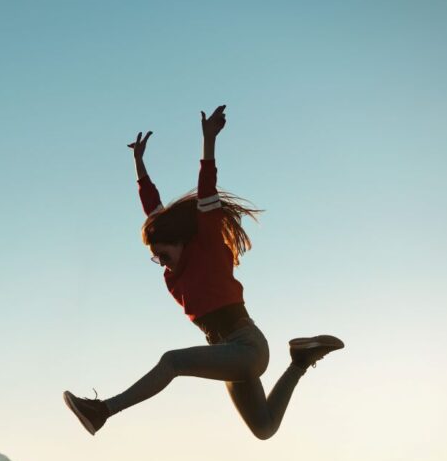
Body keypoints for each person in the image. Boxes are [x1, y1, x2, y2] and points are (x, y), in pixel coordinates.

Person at [63, 105, 343, 439]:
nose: (161, 262)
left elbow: (207, 190)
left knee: (172, 362)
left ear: (182, 241)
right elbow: (154, 212)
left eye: (163, 254)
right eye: (155, 258)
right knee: (264, 427)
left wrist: (208, 140)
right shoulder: (174, 270)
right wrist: (139, 165)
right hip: (223, 352)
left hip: (247, 348)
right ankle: (300, 361)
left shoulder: (206, 246)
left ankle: (103, 410)